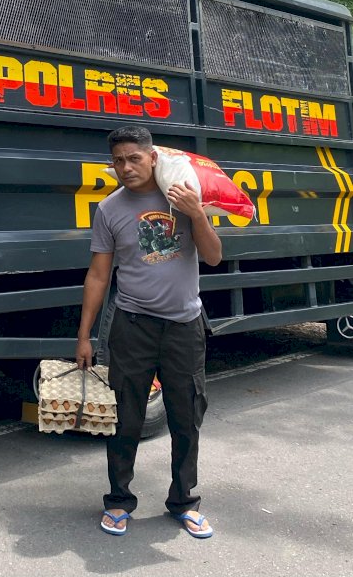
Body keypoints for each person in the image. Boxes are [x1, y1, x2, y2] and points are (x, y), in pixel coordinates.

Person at [75, 124, 222, 540]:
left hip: (184, 326)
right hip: (132, 326)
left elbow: (212, 257)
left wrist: (196, 213)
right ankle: (119, 500)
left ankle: (184, 502)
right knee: (126, 418)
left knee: (186, 416)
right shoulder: (109, 209)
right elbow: (99, 275)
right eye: (118, 160)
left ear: (152, 157)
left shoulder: (184, 194)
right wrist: (85, 335)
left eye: (134, 158)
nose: (126, 167)